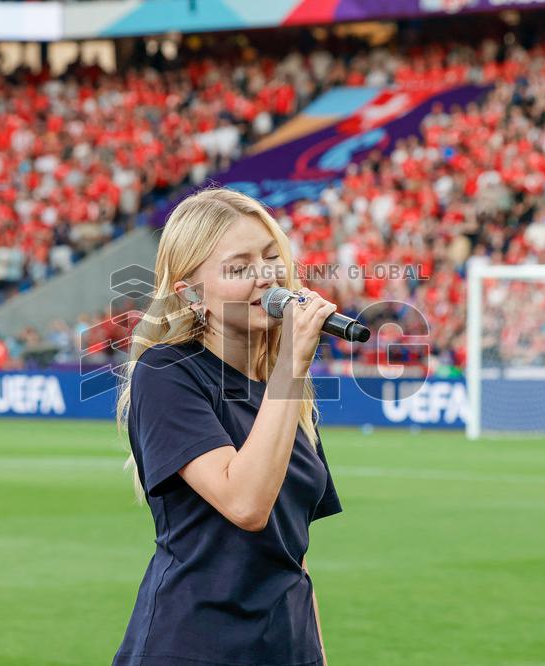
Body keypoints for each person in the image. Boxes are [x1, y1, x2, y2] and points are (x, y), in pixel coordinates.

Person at [112, 189, 343, 666]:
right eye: (238, 268)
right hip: (194, 647)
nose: (265, 276)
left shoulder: (286, 392)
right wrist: (291, 365)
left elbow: (293, 555)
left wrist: (317, 653)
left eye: (270, 257)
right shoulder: (168, 373)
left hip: (288, 650)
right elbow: (245, 504)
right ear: (191, 293)